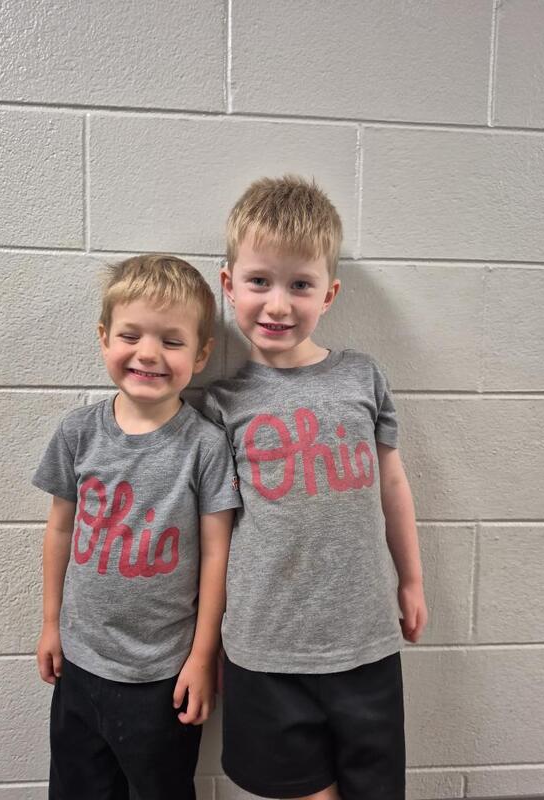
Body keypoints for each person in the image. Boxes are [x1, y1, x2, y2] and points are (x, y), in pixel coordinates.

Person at [202, 176, 428, 800]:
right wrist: (206, 640)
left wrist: (411, 580)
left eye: (299, 285)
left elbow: (392, 482)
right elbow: (213, 535)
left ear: (328, 294)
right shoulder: (221, 406)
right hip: (263, 648)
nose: (278, 305)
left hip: (364, 642)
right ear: (228, 285)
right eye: (259, 281)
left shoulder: (362, 377)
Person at [32, 254, 241, 800]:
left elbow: (217, 555)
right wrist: (51, 623)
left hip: (162, 678)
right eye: (131, 335)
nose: (148, 353)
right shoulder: (78, 433)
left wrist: (203, 657)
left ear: (200, 354)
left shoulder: (205, 447)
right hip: (79, 665)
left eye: (171, 341)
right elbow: (59, 531)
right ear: (104, 338)